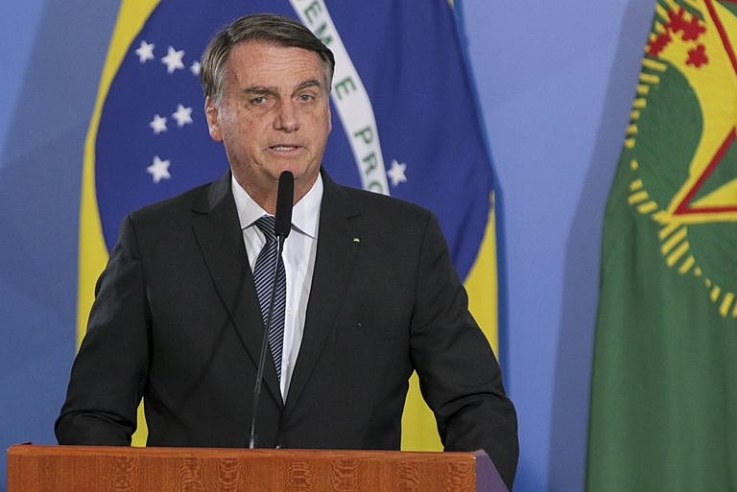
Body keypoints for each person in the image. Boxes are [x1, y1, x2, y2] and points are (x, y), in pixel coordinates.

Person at [55, 13, 519, 488]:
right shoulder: (154, 241)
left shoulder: (404, 240)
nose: (289, 121)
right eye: (261, 99)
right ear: (214, 116)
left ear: (328, 114)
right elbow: (94, 416)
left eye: (306, 96)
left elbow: (476, 406)